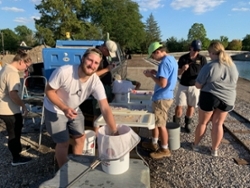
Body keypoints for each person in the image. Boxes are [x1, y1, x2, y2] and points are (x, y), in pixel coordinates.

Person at [44, 48, 118, 168]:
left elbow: (105, 108)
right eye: (90, 60)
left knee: (80, 137)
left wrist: (114, 131)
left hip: (74, 108)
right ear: (83, 59)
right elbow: (49, 91)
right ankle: (63, 171)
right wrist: (64, 108)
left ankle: (75, 165)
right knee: (63, 142)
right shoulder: (64, 72)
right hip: (55, 109)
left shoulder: (95, 81)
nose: (92, 65)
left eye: (96, 63)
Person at [193, 41, 239, 156]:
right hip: (228, 99)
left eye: (209, 53)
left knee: (203, 123)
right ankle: (214, 150)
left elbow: (198, 85)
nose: (209, 55)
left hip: (209, 97)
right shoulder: (232, 66)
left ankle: (196, 145)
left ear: (212, 53)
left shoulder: (210, 66)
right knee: (218, 124)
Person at [141, 42, 178, 159]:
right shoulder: (171, 59)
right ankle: (154, 143)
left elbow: (162, 83)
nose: (153, 58)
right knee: (156, 122)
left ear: (157, 52)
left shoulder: (164, 63)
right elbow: (167, 76)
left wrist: (150, 76)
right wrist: (155, 73)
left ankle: (164, 149)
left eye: (152, 56)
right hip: (166, 96)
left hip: (162, 97)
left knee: (161, 124)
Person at [0, 51, 32, 166]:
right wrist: (23, 105)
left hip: (2, 107)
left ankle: (17, 148)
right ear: (21, 61)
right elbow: (13, 94)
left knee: (15, 130)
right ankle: (16, 158)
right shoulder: (12, 73)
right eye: (26, 66)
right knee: (14, 132)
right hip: (8, 110)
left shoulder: (5, 68)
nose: (26, 69)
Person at [173, 40, 207, 133]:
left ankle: (187, 124)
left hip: (195, 86)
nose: (196, 51)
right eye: (195, 49)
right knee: (179, 105)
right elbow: (178, 73)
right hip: (183, 85)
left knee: (191, 106)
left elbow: (205, 73)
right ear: (190, 48)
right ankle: (176, 123)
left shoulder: (202, 59)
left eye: (198, 50)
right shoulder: (183, 58)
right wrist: (183, 69)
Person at [91, 40, 117, 133]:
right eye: (108, 53)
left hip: (106, 87)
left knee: (106, 112)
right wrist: (107, 69)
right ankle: (96, 137)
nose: (109, 55)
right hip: (98, 88)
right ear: (104, 49)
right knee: (98, 114)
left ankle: (104, 133)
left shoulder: (103, 56)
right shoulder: (95, 56)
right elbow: (91, 74)